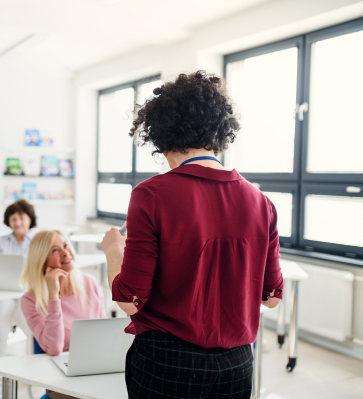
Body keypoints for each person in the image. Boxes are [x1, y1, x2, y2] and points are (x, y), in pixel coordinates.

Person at [100, 71, 284, 399]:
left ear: (161, 134)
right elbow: (270, 297)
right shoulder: (262, 203)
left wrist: (114, 250)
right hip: (238, 362)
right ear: (219, 132)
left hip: (169, 361)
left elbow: (129, 302)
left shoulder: (152, 194)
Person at [20, 230, 106, 399]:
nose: (65, 252)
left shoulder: (89, 283)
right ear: (42, 261)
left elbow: (104, 334)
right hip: (60, 377)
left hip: (96, 366)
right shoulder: (30, 300)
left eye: (65, 245)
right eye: (54, 250)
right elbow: (54, 348)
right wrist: (53, 296)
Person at [0, 199, 37, 399]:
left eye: (21, 218)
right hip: (5, 292)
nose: (17, 222)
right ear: (8, 221)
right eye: (13, 218)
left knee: (31, 329)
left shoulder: (37, 240)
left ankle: (35, 376)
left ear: (29, 219)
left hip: (29, 294)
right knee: (0, 328)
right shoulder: (1, 242)